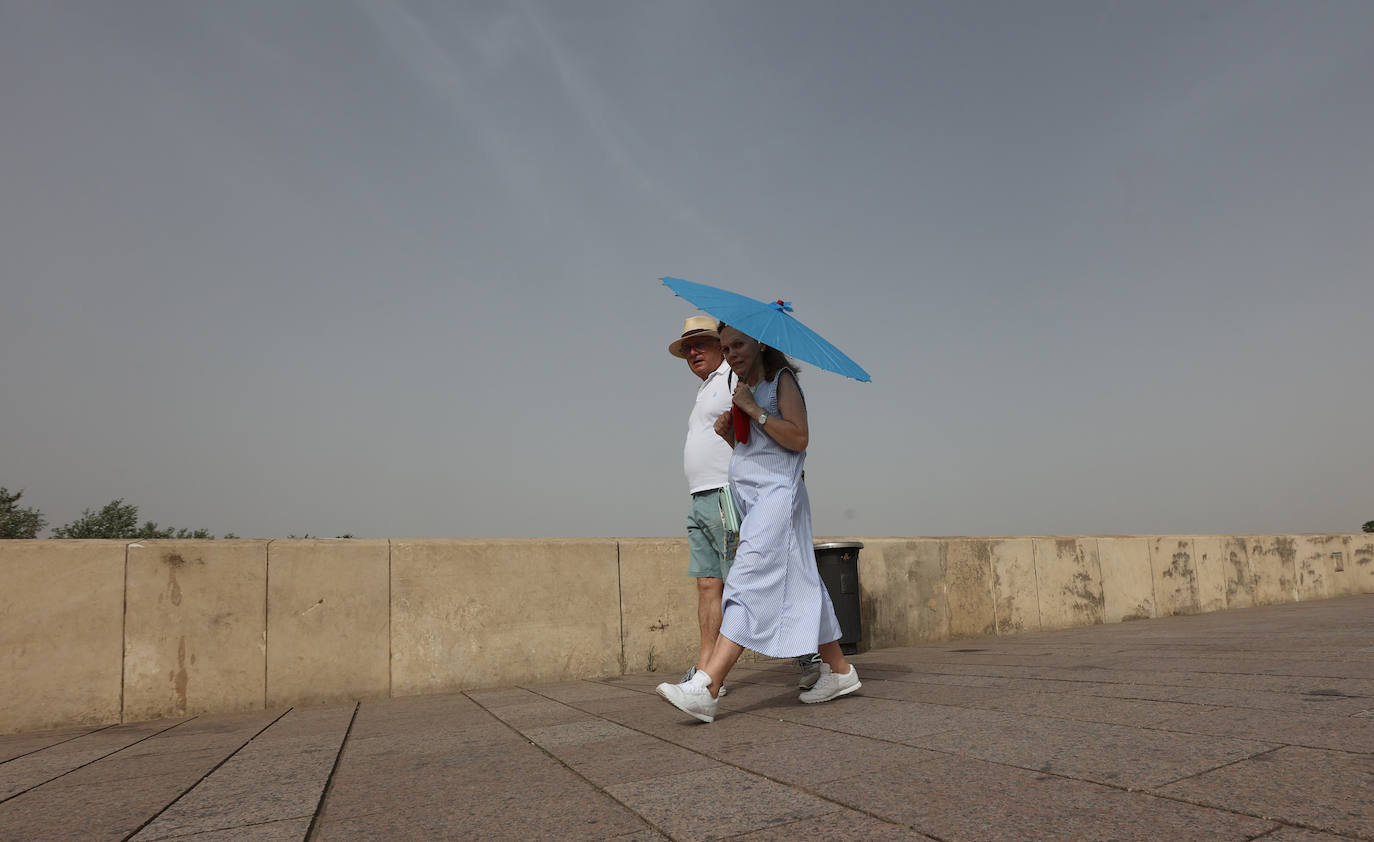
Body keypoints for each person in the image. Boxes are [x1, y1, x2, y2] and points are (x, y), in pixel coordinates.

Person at [657, 322, 860, 723]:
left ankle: (708, 686)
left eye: (738, 345)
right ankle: (840, 672)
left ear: (761, 343)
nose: (732, 354)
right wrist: (732, 434)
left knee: (746, 580)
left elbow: (799, 439)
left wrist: (753, 411)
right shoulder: (743, 388)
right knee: (803, 584)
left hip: (778, 499)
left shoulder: (781, 381)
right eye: (728, 347)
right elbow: (761, 451)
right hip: (754, 498)